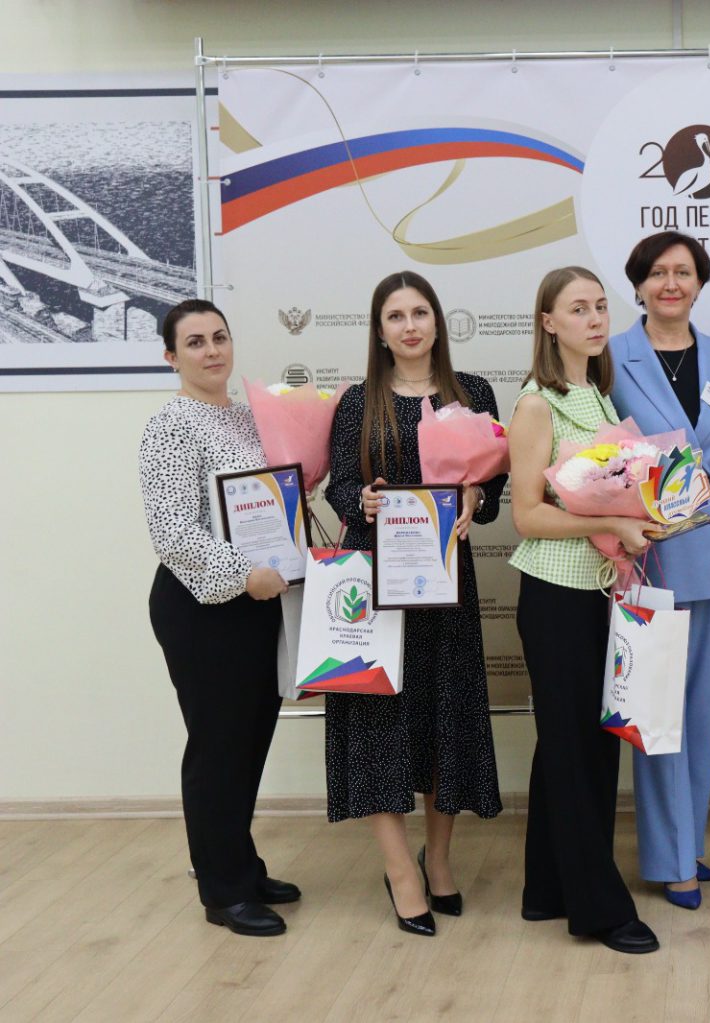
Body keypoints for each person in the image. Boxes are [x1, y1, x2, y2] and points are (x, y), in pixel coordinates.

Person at [324, 271, 506, 936]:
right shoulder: (357, 401)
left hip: (445, 584)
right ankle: (400, 870)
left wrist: (476, 497)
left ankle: (441, 859)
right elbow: (338, 487)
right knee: (379, 724)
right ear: (379, 331)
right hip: (376, 587)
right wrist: (362, 501)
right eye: (395, 316)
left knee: (443, 717)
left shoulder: (472, 393)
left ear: (437, 321)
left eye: (420, 312)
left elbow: (495, 485)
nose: (409, 326)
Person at [507, 266, 660, 953]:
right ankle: (601, 909)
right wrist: (614, 526)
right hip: (556, 595)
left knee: (574, 746)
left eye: (600, 306)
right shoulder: (536, 405)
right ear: (548, 323)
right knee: (578, 753)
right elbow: (528, 515)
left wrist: (648, 516)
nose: (595, 319)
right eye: (578, 309)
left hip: (599, 590)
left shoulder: (595, 394)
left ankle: (546, 888)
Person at [140, 299, 300, 937]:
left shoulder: (246, 417)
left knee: (249, 739)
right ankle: (223, 890)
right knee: (217, 745)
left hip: (256, 601)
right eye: (196, 342)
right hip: (202, 605)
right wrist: (243, 573)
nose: (212, 351)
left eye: (219, 337)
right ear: (171, 357)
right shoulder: (170, 425)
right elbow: (173, 532)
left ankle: (242, 866)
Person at [607, 231, 710, 909]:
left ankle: (687, 841)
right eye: (658, 273)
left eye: (684, 272)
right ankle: (669, 860)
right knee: (656, 710)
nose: (671, 283)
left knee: (700, 711)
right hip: (650, 557)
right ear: (638, 285)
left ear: (700, 282)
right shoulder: (611, 357)